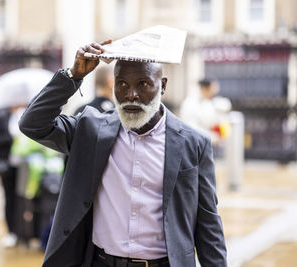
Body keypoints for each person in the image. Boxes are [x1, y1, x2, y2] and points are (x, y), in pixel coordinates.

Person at [19, 40, 227, 267]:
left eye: (143, 84)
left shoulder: (193, 143)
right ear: (113, 86)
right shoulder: (90, 131)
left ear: (162, 85)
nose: (132, 95)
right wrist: (73, 76)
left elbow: (208, 224)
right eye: (122, 84)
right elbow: (33, 123)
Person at [0, 107, 18, 247]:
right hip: (8, 166)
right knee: (10, 198)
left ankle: (24, 232)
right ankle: (11, 231)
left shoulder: (26, 113)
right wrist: (13, 139)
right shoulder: (2, 117)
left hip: (24, 165)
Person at [180, 79, 231, 145]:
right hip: (192, 143)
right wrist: (212, 137)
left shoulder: (207, 102)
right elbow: (191, 127)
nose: (213, 94)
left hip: (203, 143)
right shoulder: (190, 103)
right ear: (204, 89)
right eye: (211, 91)